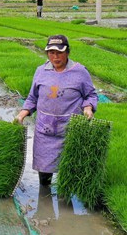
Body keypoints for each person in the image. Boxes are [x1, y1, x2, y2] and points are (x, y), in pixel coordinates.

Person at [16, 35, 98, 186]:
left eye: (59, 52)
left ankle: (65, 201)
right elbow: (32, 98)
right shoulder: (41, 71)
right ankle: (44, 199)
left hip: (69, 130)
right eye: (51, 52)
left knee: (67, 174)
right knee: (44, 174)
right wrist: (23, 113)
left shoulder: (80, 72)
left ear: (67, 52)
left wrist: (88, 107)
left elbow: (91, 95)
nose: (55, 56)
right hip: (44, 131)